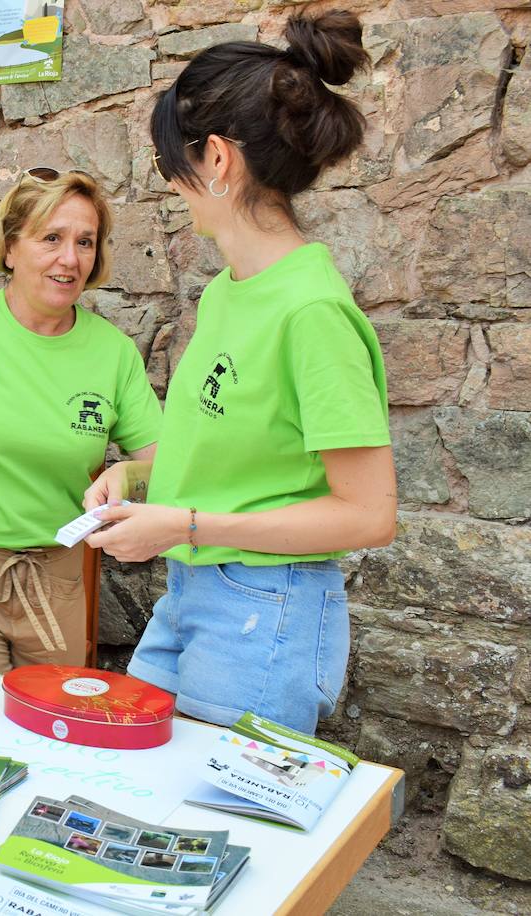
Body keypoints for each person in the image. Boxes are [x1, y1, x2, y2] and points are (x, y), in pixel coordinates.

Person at [84, 11, 397, 736]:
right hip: (196, 591)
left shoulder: (311, 311)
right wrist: (136, 480)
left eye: (171, 163)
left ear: (218, 159)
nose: (170, 183)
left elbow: (368, 514)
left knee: (222, 830)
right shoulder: (229, 291)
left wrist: (184, 524)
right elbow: (234, 455)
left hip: (266, 605)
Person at [0, 170, 160, 675]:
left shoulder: (113, 352)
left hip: (54, 570)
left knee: (53, 715)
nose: (70, 258)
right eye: (51, 239)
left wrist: (125, 477)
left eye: (85, 242)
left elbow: (164, 461)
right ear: (11, 248)